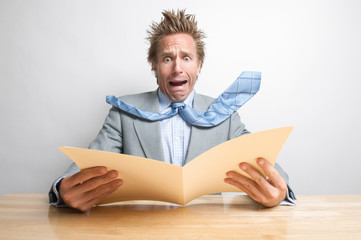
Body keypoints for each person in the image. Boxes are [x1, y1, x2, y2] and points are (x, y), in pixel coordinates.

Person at [49, 9, 295, 212]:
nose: (177, 68)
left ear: (199, 66)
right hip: (140, 231)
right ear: (154, 66)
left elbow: (267, 166)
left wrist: (280, 193)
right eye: (167, 59)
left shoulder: (225, 114)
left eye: (186, 58)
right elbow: (87, 166)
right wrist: (63, 190)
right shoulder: (124, 113)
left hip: (208, 232)